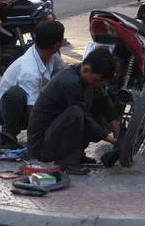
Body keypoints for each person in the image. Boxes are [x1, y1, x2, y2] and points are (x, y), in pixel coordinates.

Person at [27, 47, 120, 175]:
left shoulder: (85, 77)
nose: (98, 84)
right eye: (97, 80)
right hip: (41, 145)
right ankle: (67, 162)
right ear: (86, 69)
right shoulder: (69, 82)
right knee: (77, 113)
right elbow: (85, 120)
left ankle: (76, 155)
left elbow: (103, 98)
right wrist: (112, 140)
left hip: (55, 134)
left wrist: (114, 121)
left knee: (96, 104)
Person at [0, 20, 67, 148]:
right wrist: (39, 139)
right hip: (10, 110)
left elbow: (65, 74)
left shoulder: (52, 56)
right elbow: (33, 110)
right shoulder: (30, 71)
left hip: (35, 101)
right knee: (14, 95)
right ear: (57, 45)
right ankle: (9, 134)